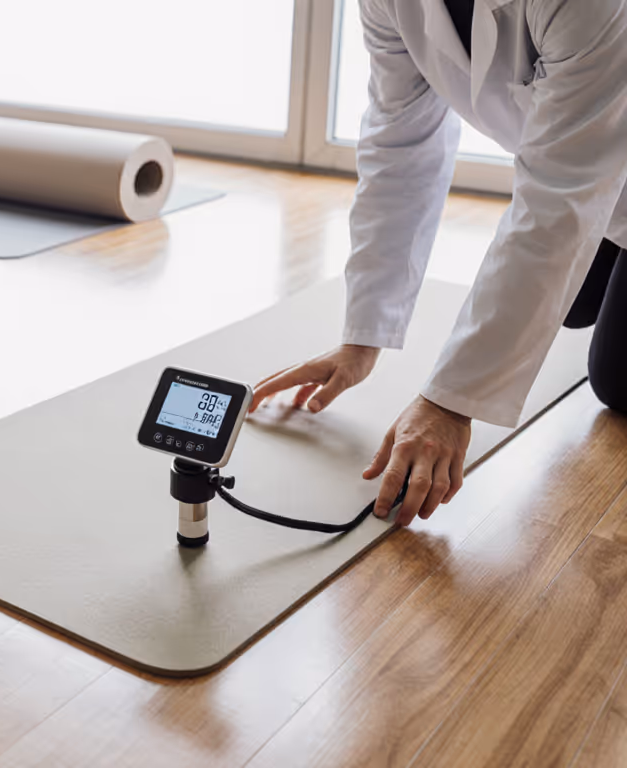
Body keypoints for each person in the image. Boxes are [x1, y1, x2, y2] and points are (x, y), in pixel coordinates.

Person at [250, 0, 627, 527]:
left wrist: (450, 405)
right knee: (566, 292)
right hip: (590, 167)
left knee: (618, 384)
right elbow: (399, 142)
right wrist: (364, 335)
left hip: (595, 167)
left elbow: (559, 193)